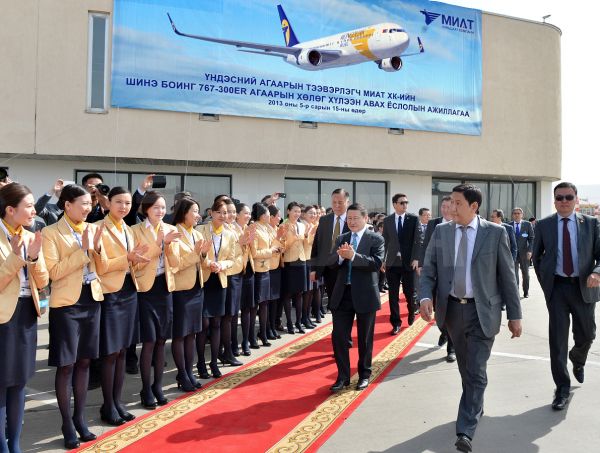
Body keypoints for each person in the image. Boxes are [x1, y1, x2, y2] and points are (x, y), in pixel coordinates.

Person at [419, 184, 522, 453]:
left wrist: (515, 315)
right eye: (450, 202)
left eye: (457, 203)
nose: (451, 207)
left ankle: (465, 430)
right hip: (452, 311)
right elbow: (429, 269)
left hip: (482, 312)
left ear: (474, 206)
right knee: (466, 368)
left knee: (476, 369)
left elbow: (508, 277)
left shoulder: (495, 233)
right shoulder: (442, 231)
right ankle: (475, 405)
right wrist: (425, 296)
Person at [42, 184, 106, 449]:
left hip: (92, 300)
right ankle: (67, 423)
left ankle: (80, 418)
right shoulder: (50, 232)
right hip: (66, 305)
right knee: (66, 365)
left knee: (85, 362)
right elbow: (54, 272)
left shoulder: (92, 228)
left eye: (90, 204)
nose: (88, 208)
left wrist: (96, 250)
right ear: (67, 205)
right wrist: (83, 251)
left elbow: (102, 267)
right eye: (83, 204)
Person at [532, 182, 600, 411]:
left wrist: (596, 272)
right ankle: (561, 388)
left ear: (576, 199)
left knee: (587, 334)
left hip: (583, 287)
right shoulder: (544, 225)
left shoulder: (591, 224)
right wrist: (546, 284)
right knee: (558, 341)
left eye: (568, 197)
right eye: (559, 198)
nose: (563, 201)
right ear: (554, 201)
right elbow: (537, 257)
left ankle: (578, 359)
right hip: (558, 289)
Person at [0, 183, 48, 453]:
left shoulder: (31, 237)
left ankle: (15, 443)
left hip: (27, 313)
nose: (34, 211)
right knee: (2, 383)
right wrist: (17, 258)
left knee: (20, 382)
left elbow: (43, 281)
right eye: (28, 206)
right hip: (3, 318)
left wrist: (34, 257)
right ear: (10, 209)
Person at [94, 187, 149, 426]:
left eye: (127, 203)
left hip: (129, 291)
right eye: (119, 202)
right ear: (108, 203)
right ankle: (107, 405)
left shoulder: (128, 229)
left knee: (124, 351)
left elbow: (131, 263)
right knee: (110, 353)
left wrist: (137, 261)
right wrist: (127, 258)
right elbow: (101, 265)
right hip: (110, 294)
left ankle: (117, 402)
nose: (123, 207)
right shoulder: (98, 228)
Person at [131, 191, 181, 409]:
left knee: (162, 340)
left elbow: (176, 263)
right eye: (156, 207)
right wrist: (159, 244)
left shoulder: (171, 229)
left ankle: (158, 386)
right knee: (149, 341)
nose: (160, 211)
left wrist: (168, 246)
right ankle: (146, 388)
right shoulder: (135, 231)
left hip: (165, 288)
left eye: (163, 207)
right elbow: (135, 263)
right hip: (145, 290)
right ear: (146, 209)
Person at [327, 203, 385, 393]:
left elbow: (376, 263)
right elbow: (331, 263)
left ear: (365, 218)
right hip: (342, 294)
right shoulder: (342, 238)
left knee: (365, 339)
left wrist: (353, 256)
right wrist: (340, 258)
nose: (351, 222)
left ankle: (364, 375)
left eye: (355, 218)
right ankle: (342, 376)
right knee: (339, 337)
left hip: (365, 294)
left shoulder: (376, 238)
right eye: (349, 219)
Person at [171, 198, 210, 391]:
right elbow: (176, 264)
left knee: (192, 333)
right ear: (183, 212)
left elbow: (200, 261)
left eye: (198, 211)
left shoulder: (197, 233)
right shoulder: (174, 233)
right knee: (180, 334)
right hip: (181, 290)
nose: (198, 215)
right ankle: (182, 373)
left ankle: (189, 371)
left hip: (196, 288)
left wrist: (203, 255)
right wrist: (196, 253)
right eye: (194, 211)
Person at [196, 199, 235, 378]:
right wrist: (209, 262)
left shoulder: (230, 234)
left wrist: (221, 265)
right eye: (219, 212)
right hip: (204, 280)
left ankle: (213, 362)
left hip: (220, 280)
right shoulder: (200, 230)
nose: (222, 215)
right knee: (203, 324)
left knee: (217, 323)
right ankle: (201, 363)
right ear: (211, 213)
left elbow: (231, 259)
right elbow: (196, 255)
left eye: (225, 212)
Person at [416, 196, 455, 361]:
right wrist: (421, 263)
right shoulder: (435, 224)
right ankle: (444, 331)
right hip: (434, 273)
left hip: (451, 276)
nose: (445, 209)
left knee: (451, 312)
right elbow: (426, 245)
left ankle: (451, 347)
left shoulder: (459, 224)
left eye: (448, 206)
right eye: (443, 206)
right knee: (439, 312)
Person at [382, 193, 421, 333]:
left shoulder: (413, 219)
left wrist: (416, 258)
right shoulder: (387, 220)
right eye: (402, 203)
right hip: (392, 262)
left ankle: (411, 311)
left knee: (409, 292)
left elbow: (419, 239)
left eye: (406, 202)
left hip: (409, 262)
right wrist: (383, 259)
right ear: (394, 205)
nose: (405, 205)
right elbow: (385, 241)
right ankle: (396, 323)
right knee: (393, 295)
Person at [310, 189, 350, 306]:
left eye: (340, 202)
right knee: (333, 303)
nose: (337, 205)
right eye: (334, 202)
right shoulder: (324, 220)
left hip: (347, 268)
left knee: (346, 304)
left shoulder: (353, 219)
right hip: (328, 269)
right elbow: (316, 245)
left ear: (347, 202)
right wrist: (313, 268)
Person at [220, 199, 245, 366]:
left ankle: (230, 348)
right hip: (227, 274)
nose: (231, 215)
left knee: (233, 314)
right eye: (228, 212)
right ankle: (226, 352)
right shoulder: (222, 229)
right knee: (227, 316)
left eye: (234, 212)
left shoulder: (235, 228)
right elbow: (226, 253)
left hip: (237, 273)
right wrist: (240, 244)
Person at [249, 203, 277, 343]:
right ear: (260, 215)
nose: (269, 216)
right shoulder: (254, 228)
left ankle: (263, 332)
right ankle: (252, 335)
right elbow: (254, 253)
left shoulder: (266, 228)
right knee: (256, 305)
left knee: (265, 303)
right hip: (258, 270)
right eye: (267, 214)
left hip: (266, 268)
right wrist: (270, 251)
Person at [281, 202, 308, 333]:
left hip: (301, 261)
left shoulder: (302, 225)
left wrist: (306, 236)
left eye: (299, 211)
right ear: (288, 211)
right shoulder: (283, 226)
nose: (297, 214)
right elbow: (282, 247)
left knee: (299, 293)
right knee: (288, 294)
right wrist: (294, 239)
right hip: (289, 262)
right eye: (295, 211)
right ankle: (289, 323)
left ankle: (299, 322)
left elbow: (305, 244)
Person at [267, 204, 284, 338]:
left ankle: (273, 326)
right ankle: (267, 328)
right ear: (271, 217)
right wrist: (278, 238)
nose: (280, 218)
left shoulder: (277, 229)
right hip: (269, 268)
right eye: (278, 216)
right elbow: (270, 248)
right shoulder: (266, 230)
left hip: (278, 266)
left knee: (275, 301)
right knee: (268, 301)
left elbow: (282, 247)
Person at [510, 207, 535, 298]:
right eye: (515, 213)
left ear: (522, 215)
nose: (517, 215)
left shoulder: (527, 224)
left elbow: (531, 238)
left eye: (518, 213)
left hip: (525, 253)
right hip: (512, 254)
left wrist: (530, 250)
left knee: (525, 274)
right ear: (512, 215)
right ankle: (516, 292)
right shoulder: (508, 225)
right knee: (514, 274)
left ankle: (526, 291)